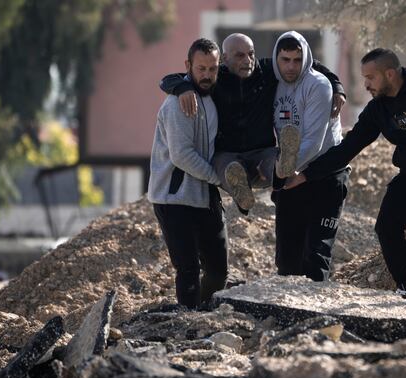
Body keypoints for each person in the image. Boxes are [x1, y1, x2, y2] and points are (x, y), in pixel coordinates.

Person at [287, 48, 406, 309]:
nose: (365, 85)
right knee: (386, 225)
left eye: (370, 78)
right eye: (364, 78)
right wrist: (306, 174)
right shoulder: (378, 108)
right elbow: (348, 147)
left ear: (390, 74)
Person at [159, 33, 346, 212]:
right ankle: (242, 194)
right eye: (240, 55)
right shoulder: (216, 77)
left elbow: (308, 64)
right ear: (224, 59)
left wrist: (336, 85)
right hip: (227, 152)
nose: (247, 60)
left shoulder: (266, 70)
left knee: (274, 161)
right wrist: (182, 87)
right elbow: (169, 79)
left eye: (251, 54)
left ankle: (283, 166)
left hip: (262, 150)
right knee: (227, 167)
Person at [148, 38, 227, 309]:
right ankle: (188, 323)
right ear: (188, 66)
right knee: (188, 269)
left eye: (212, 69)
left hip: (205, 196)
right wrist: (219, 179)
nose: (206, 75)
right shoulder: (177, 104)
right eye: (201, 68)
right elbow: (181, 156)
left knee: (218, 270)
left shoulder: (215, 95)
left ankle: (203, 313)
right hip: (175, 199)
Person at [271, 31, 349, 282]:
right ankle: (288, 318)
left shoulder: (318, 85)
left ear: (306, 59)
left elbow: (313, 143)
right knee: (286, 260)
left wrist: (283, 173)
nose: (291, 66)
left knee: (315, 256)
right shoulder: (270, 82)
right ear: (276, 59)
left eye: (297, 60)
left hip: (324, 175)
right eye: (285, 60)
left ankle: (315, 318)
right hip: (290, 176)